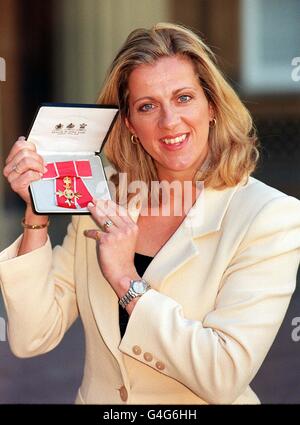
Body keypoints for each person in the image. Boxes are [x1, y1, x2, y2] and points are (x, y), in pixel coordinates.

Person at [1, 22, 300, 405]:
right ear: (128, 123)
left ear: (211, 105)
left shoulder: (271, 217)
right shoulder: (102, 198)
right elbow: (32, 337)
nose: (169, 121)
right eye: (147, 106)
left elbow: (224, 374)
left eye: (183, 98)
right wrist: (36, 210)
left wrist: (127, 280)